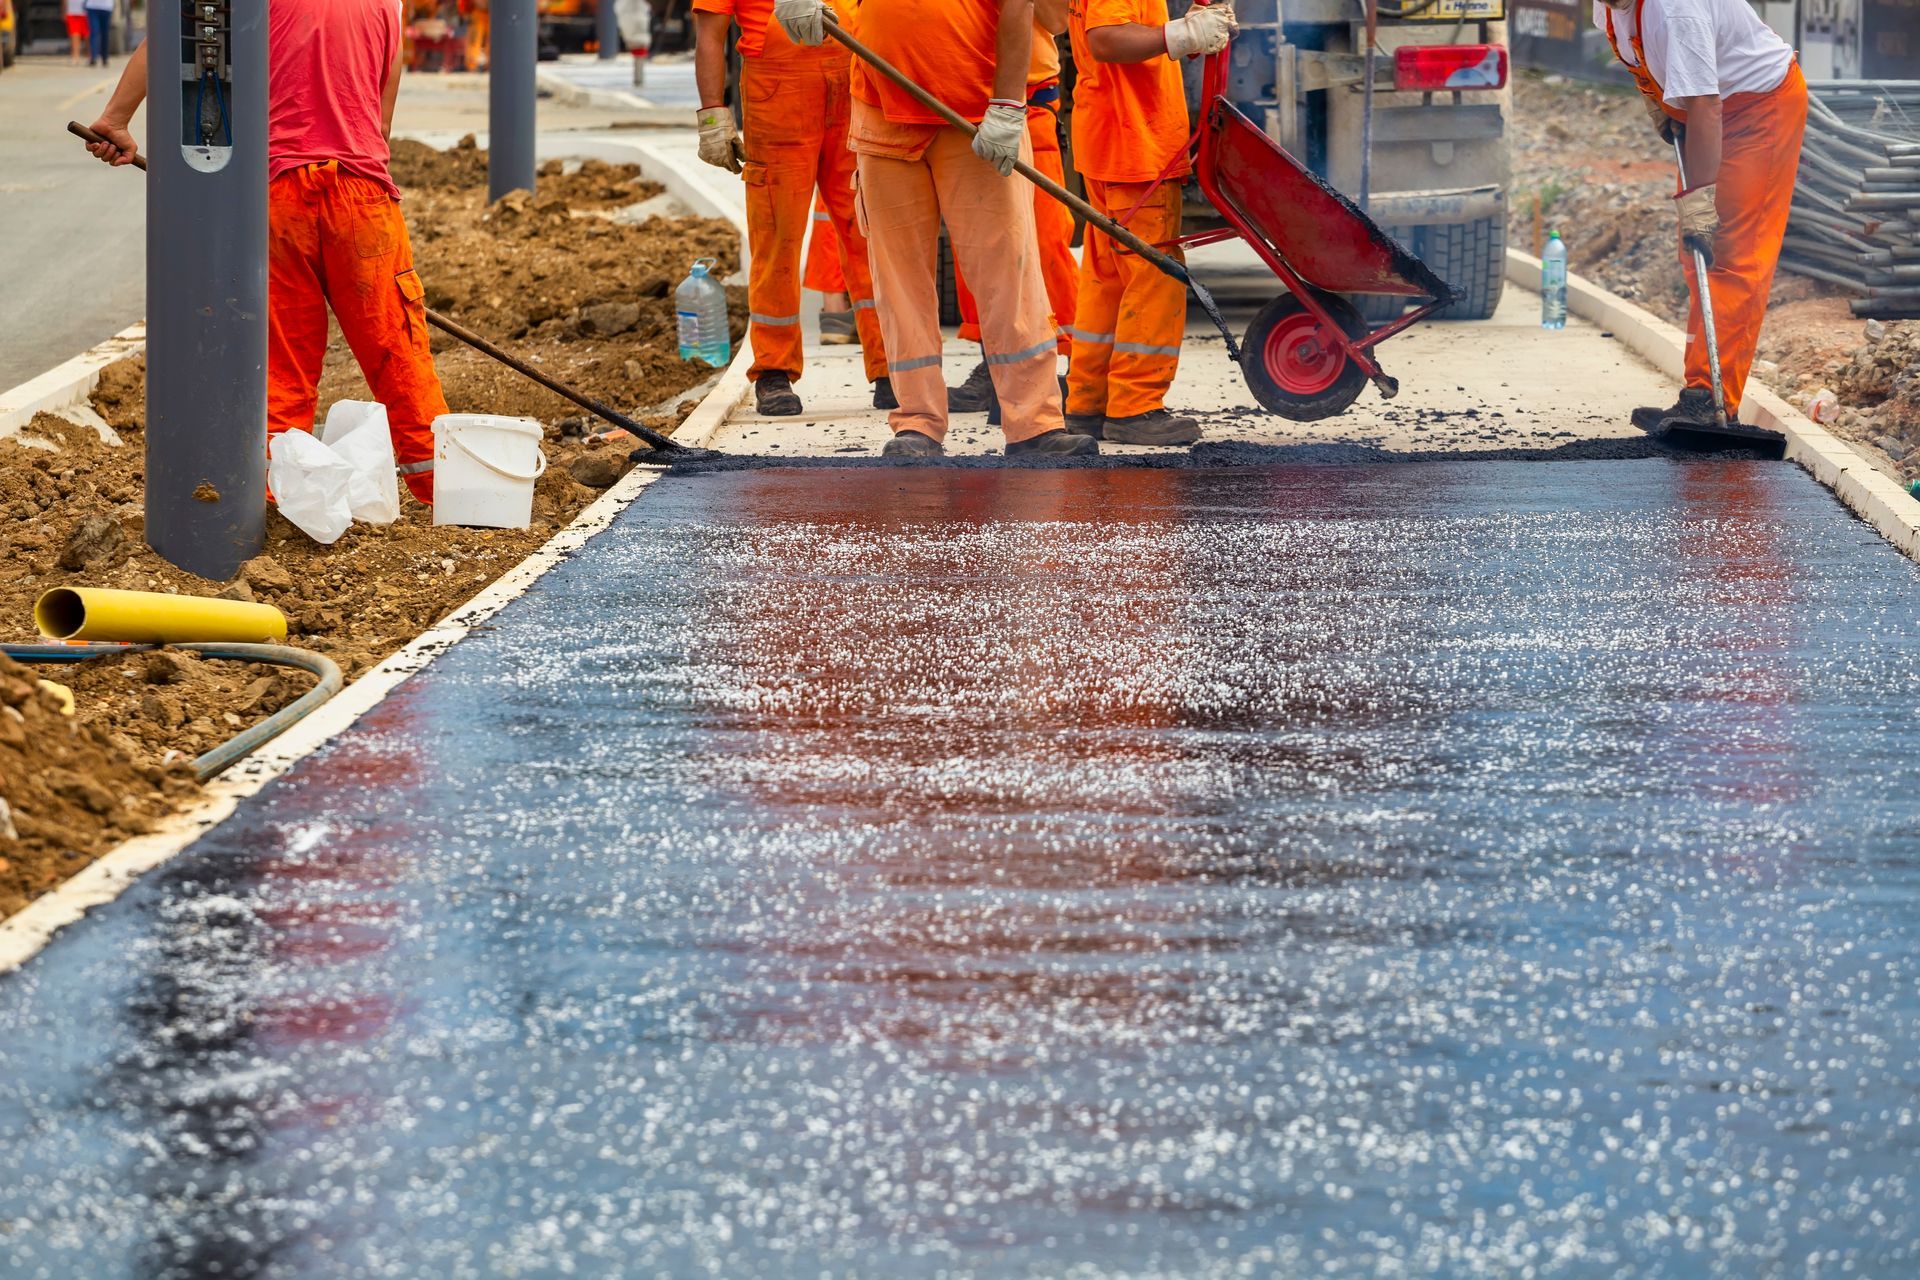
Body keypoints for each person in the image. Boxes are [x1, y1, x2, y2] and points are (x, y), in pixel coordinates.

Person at [84, 0, 449, 505]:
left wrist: (115, 118)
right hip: (362, 199)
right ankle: (446, 493)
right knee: (398, 352)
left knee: (280, 362)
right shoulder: (390, 4)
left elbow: (170, 34)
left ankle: (278, 500)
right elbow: (380, 124)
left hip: (277, 197)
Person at [780, 0, 1095, 457]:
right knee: (899, 282)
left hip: (975, 118)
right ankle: (918, 422)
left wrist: (1007, 106)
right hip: (883, 113)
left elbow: (1029, 10)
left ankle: (1035, 423)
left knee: (1008, 272)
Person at [1596, 0, 1806, 431]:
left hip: (1756, 108)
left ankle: (1713, 400)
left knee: (1728, 252)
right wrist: (1660, 104)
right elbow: (1654, 68)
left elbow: (1707, 105)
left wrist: (1700, 200)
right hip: (1706, 110)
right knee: (1696, 253)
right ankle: (1698, 389)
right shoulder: (1608, 9)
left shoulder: (1676, 11)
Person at [692, 0, 892, 417]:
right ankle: (774, 370)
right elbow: (710, 35)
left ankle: (893, 365)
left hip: (854, 79)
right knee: (777, 235)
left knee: (871, 229)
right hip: (778, 94)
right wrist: (712, 114)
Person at [1063, 0, 1232, 446]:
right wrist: (1179, 36)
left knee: (1107, 282)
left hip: (1114, 141)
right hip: (1136, 146)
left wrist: (1188, 28)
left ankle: (1088, 402)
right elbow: (1106, 39)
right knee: (1153, 279)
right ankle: (1135, 407)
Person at [945, 0, 1078, 419]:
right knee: (975, 247)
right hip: (961, 103)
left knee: (1045, 241)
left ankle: (1075, 365)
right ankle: (995, 360)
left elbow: (1057, 20)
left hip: (1028, 104)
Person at [83, 0, 111, 68]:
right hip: (92, 6)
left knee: (105, 33)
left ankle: (105, 57)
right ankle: (93, 57)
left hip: (106, 7)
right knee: (94, 31)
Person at [63, 0, 85, 66]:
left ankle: (89, 56)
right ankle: (75, 56)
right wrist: (64, 11)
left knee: (86, 35)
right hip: (73, 12)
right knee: (74, 34)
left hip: (85, 11)